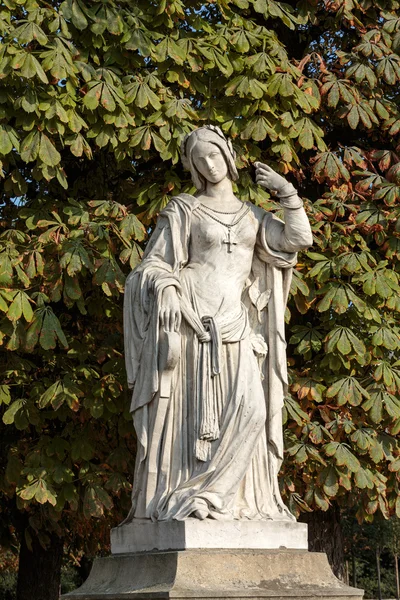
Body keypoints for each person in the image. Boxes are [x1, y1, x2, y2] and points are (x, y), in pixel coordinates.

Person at [123, 125, 313, 522]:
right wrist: (169, 288)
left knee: (252, 412)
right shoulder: (183, 210)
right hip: (194, 323)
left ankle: (216, 497)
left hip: (237, 327)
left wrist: (286, 192)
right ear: (192, 166)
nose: (210, 165)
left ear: (228, 153)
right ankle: (196, 498)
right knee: (194, 429)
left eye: (214, 154)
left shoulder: (252, 216)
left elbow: (299, 239)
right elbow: (151, 266)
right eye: (199, 159)